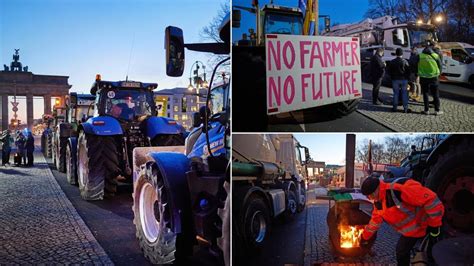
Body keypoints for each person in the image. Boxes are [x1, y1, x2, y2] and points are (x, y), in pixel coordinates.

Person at [360, 176, 444, 266]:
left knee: (432, 253)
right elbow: (375, 221)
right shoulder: (379, 201)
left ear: (376, 190)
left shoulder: (399, 189)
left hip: (425, 225)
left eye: (370, 195)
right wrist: (365, 238)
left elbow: (432, 200)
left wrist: (435, 226)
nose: (369, 198)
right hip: (413, 230)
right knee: (403, 251)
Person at [413, 42, 443, 115]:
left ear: (423, 50)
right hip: (434, 77)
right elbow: (440, 65)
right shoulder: (435, 55)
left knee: (425, 94)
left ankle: (426, 110)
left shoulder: (420, 56)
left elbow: (414, 65)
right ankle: (437, 110)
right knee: (435, 94)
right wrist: (439, 73)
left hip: (424, 77)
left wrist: (416, 73)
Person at [388, 48, 411, 113]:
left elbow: (389, 71)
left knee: (395, 94)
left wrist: (392, 77)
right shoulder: (405, 61)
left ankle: (394, 108)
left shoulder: (392, 61)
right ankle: (405, 108)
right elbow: (408, 71)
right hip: (404, 80)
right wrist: (407, 78)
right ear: (402, 54)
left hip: (395, 80)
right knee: (404, 94)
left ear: (396, 53)